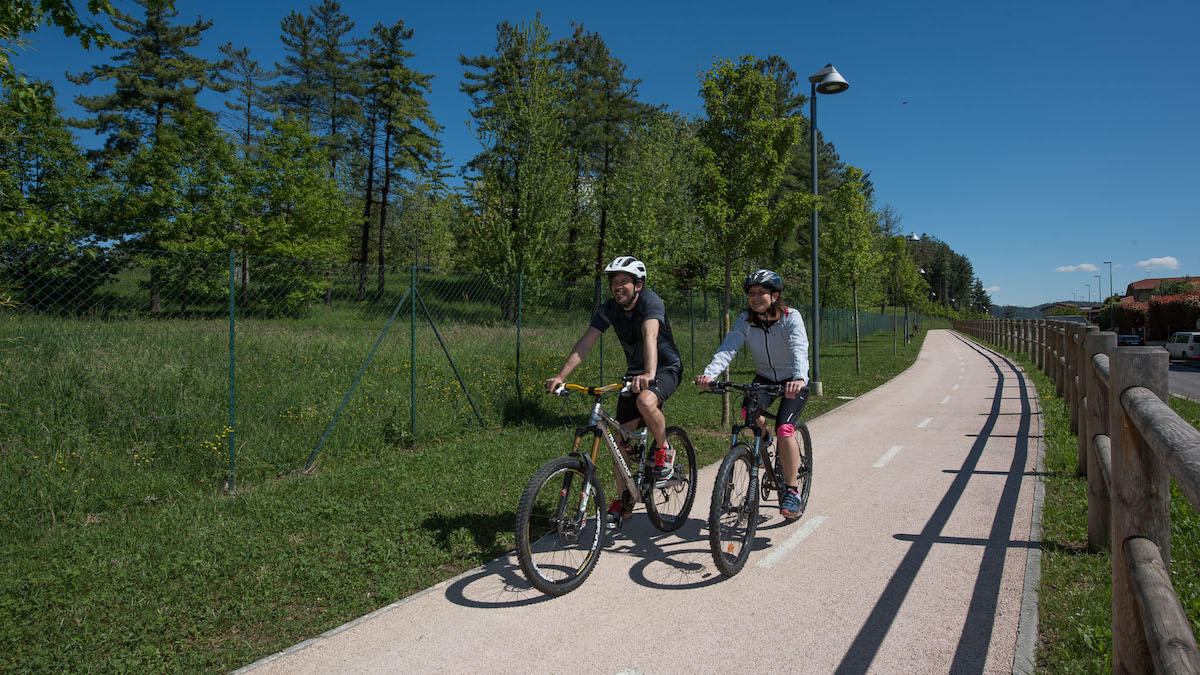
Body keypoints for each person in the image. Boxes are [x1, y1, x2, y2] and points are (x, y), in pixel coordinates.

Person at [546, 256, 683, 525]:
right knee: (619, 441)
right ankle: (624, 499)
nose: (617, 287)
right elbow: (586, 341)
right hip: (634, 375)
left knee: (646, 400)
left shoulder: (650, 302)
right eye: (614, 282)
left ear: (638, 285)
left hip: (664, 368)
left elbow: (650, 336)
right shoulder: (610, 308)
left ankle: (664, 449)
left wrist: (650, 374)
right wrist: (561, 376)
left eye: (624, 282)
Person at [695, 269, 810, 521]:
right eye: (751, 293)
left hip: (792, 379)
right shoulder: (746, 320)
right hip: (765, 377)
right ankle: (765, 441)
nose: (755, 298)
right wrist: (710, 373)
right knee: (749, 414)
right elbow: (729, 346)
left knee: (785, 428)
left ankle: (791, 491)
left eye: (761, 293)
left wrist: (800, 378)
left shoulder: (791, 317)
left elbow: (799, 347)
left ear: (775, 295)